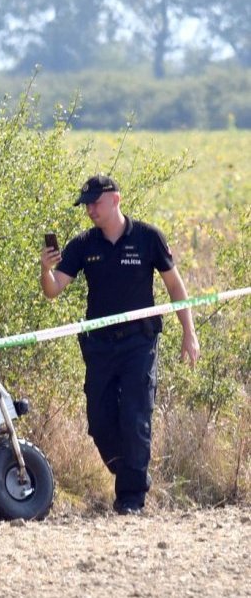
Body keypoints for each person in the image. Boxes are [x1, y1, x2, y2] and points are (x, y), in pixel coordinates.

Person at [39, 174, 200, 515]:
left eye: (95, 202)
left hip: (139, 343)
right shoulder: (83, 245)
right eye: (86, 205)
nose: (90, 210)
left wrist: (189, 331)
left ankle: (131, 500)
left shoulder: (147, 237)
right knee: (99, 421)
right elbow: (53, 290)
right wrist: (45, 269)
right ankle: (130, 472)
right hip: (99, 347)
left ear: (115, 199)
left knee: (135, 418)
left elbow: (175, 286)